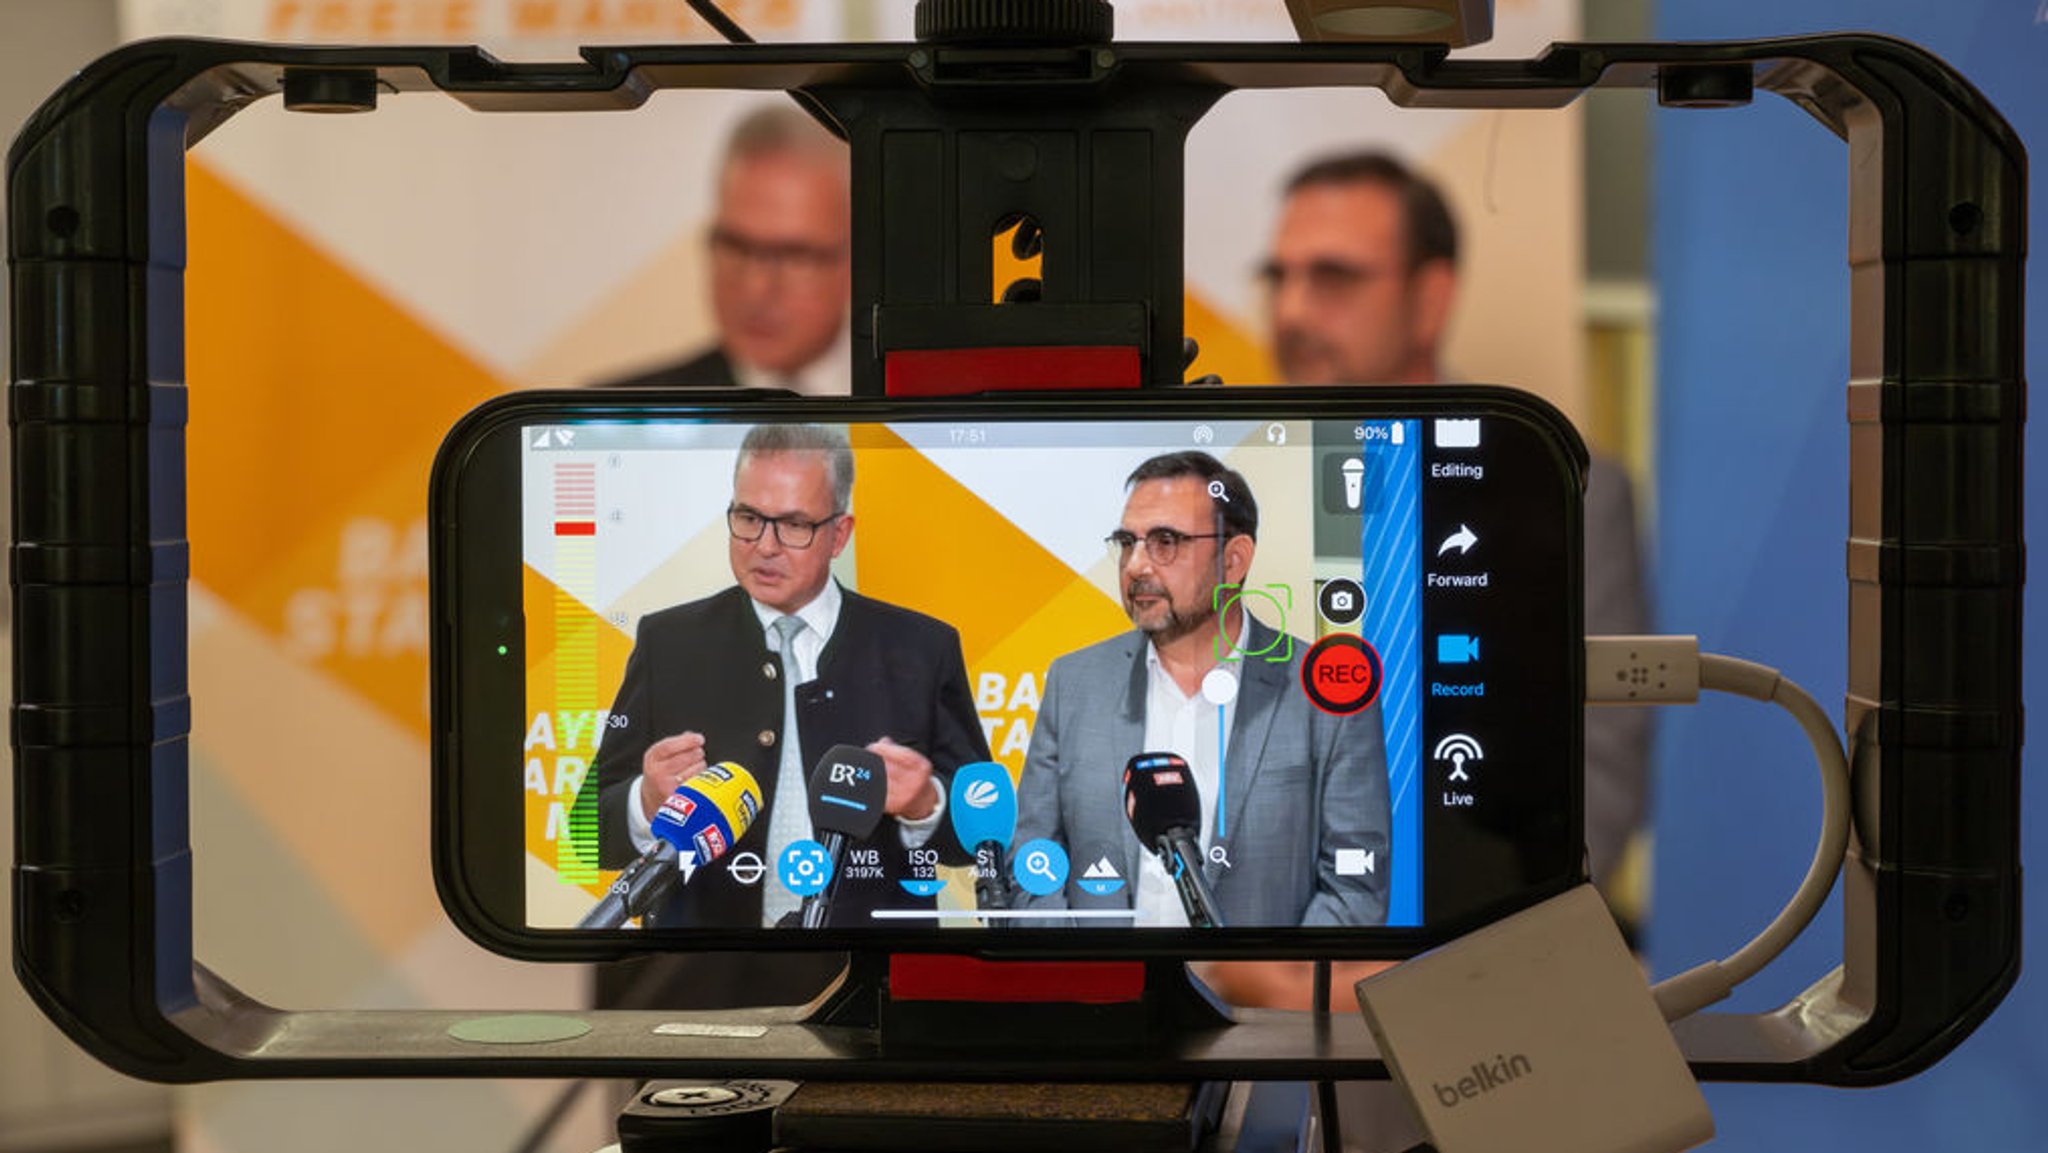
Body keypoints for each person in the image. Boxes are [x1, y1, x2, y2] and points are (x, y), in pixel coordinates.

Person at [1258, 149, 1652, 898]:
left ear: (1431, 296)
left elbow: (1594, 791)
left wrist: (1423, 965)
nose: (1292, 312)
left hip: (1470, 961)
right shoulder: (1215, 481)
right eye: (1280, 277)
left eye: (1333, 277)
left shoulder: (1561, 490)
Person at [582, 423, 989, 1006]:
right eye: (748, 518)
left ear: (839, 533)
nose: (765, 545)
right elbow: (585, 835)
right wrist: (646, 801)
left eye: (795, 525)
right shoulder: (668, 641)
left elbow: (980, 838)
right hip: (697, 988)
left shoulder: (921, 648)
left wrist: (928, 804)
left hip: (869, 991)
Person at [1012, 451, 1390, 927]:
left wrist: (1252, 989)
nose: (1136, 565)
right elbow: (1031, 866)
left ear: (1233, 561)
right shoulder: (1075, 682)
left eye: (1165, 542)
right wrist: (1087, 976)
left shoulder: (1326, 693)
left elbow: (1354, 891)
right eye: (1127, 542)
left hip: (1259, 1001)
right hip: (1102, 995)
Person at [603, 105, 852, 394]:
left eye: (794, 256)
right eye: (737, 247)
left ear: (856, 260)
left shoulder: (911, 409)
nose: (756, 287)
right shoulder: (623, 420)